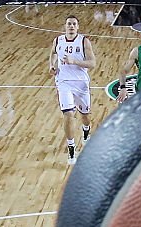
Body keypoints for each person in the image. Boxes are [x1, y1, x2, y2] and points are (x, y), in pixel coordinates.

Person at [49, 15, 95, 166]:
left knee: (85, 115)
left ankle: (86, 130)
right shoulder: (58, 40)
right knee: (68, 114)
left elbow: (92, 63)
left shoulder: (84, 41)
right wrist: (52, 65)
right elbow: (53, 53)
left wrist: (74, 61)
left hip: (81, 83)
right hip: (63, 82)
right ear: (65, 25)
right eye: (69, 23)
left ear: (78, 27)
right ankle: (71, 147)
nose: (71, 26)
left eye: (74, 24)